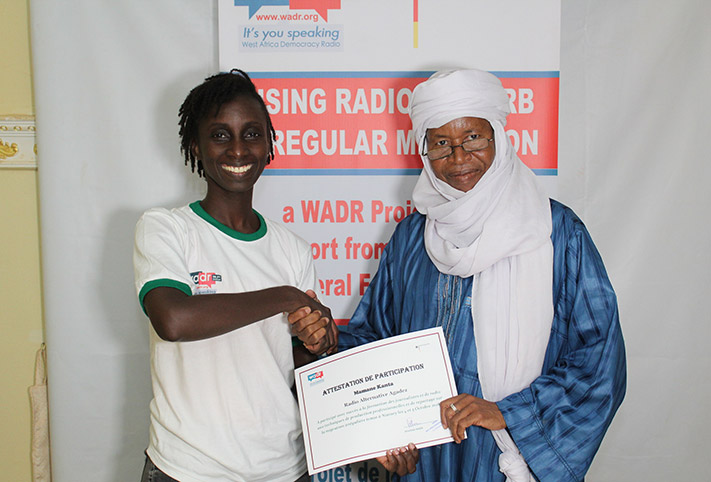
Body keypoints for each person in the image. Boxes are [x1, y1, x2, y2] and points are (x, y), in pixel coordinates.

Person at [289, 69, 626, 481]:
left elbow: (600, 359)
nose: (459, 158)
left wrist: (507, 413)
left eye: (473, 138)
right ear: (424, 150)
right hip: (424, 457)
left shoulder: (555, 233)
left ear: (498, 137)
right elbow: (375, 336)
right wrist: (378, 429)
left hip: (502, 457)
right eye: (441, 143)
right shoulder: (412, 236)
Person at [133, 69, 337, 482]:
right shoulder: (166, 228)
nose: (238, 149)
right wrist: (285, 296)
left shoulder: (291, 248)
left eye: (252, 133)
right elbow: (173, 319)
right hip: (188, 469)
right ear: (196, 145)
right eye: (220, 135)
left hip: (283, 468)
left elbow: (289, 363)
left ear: (269, 144)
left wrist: (318, 343)